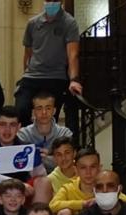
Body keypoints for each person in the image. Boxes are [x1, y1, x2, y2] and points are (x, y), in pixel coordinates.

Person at [16, 0, 82, 128]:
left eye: (54, 0)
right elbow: (27, 54)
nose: (51, 3)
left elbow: (72, 55)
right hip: (32, 77)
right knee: (21, 110)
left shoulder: (69, 23)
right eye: (48, 0)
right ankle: (31, 141)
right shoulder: (33, 23)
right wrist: (25, 74)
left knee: (50, 117)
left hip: (56, 77)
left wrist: (74, 79)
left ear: (61, 1)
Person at [50, 152, 126, 215]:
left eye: (92, 167)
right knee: (64, 213)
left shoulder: (105, 187)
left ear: (99, 168)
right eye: (83, 168)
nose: (88, 172)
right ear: (76, 170)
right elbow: (52, 206)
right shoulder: (68, 188)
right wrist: (82, 204)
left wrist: (110, 198)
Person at [17, 91, 73, 174]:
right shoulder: (23, 134)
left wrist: (42, 158)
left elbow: (68, 162)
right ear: (33, 112)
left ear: (54, 111)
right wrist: (52, 157)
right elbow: (20, 164)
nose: (44, 112)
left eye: (48, 108)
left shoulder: (65, 133)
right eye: (39, 108)